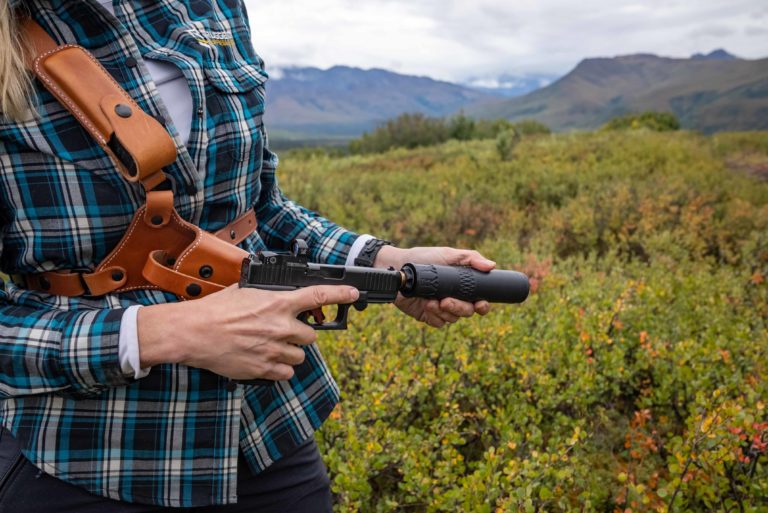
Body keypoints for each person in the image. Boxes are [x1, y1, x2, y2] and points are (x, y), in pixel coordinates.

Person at [0, 0, 495, 511]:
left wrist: (386, 263)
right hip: (92, 455)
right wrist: (167, 333)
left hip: (267, 429)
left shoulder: (212, 7)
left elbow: (257, 209)